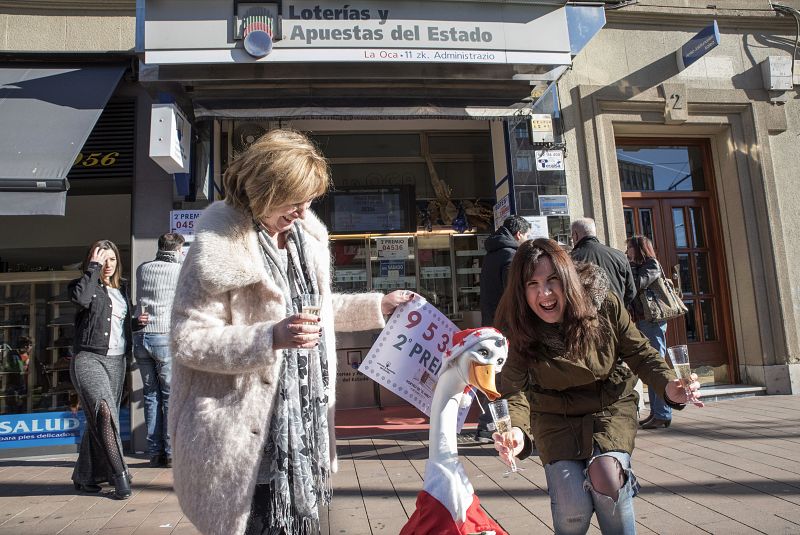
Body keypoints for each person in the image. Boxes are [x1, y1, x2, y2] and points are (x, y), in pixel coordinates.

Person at [168, 129, 412, 535]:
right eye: (294, 200)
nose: (303, 210)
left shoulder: (306, 238)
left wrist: (379, 304)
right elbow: (187, 339)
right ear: (263, 190)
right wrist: (269, 338)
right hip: (241, 435)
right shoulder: (218, 245)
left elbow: (315, 311)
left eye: (309, 200)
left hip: (302, 437)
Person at [492, 238, 703, 534]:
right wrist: (515, 430)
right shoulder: (519, 325)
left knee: (607, 477)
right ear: (521, 290)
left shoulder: (602, 304)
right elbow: (514, 389)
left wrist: (670, 387)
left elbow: (640, 352)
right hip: (555, 417)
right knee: (571, 502)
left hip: (609, 406)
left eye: (553, 280)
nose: (546, 293)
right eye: (533, 284)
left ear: (569, 278)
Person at [70, 239, 147, 500]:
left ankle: (85, 476)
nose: (108, 264)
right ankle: (120, 475)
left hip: (117, 363)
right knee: (105, 412)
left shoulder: (122, 291)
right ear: (92, 260)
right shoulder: (83, 286)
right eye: (102, 259)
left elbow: (118, 327)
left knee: (100, 420)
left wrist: (136, 323)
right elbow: (81, 300)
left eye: (111, 259)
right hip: (88, 359)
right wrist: (93, 267)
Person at [474, 215, 531, 442]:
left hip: (493, 325)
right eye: (526, 236)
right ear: (519, 234)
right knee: (508, 378)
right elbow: (513, 296)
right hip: (508, 328)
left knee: (494, 377)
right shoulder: (510, 256)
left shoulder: (492, 254)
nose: (527, 240)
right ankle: (494, 426)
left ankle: (487, 424)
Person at [133, 232, 185, 468]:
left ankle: (154, 452)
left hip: (141, 338)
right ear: (175, 250)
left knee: (150, 395)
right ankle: (171, 451)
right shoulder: (178, 270)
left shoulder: (142, 269)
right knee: (168, 395)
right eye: (181, 250)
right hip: (163, 336)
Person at [626, 235, 673, 429]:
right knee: (650, 365)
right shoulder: (637, 265)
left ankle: (663, 413)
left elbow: (636, 285)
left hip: (653, 321)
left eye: (629, 247)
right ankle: (657, 412)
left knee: (656, 365)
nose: (627, 250)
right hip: (644, 321)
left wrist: (628, 267)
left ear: (639, 249)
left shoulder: (651, 264)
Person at [570, 218, 636, 308]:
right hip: (616, 317)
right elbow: (631, 292)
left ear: (576, 235)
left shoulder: (570, 259)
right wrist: (619, 307)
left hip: (587, 317)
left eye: (572, 236)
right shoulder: (620, 256)